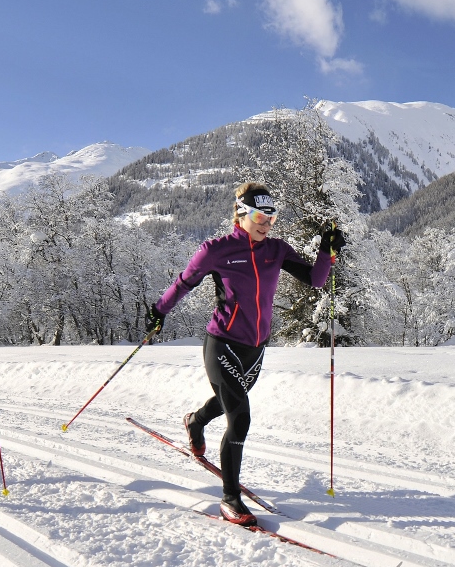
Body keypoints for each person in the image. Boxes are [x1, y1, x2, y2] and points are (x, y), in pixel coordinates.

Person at [146, 182, 345, 525]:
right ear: (241, 215)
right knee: (240, 417)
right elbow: (184, 283)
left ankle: (195, 421)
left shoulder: (276, 250)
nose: (267, 223)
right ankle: (230, 498)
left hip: (256, 348)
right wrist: (158, 311)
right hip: (221, 342)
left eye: (272, 217)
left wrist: (327, 253)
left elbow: (314, 280)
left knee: (229, 400)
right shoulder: (216, 250)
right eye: (260, 216)